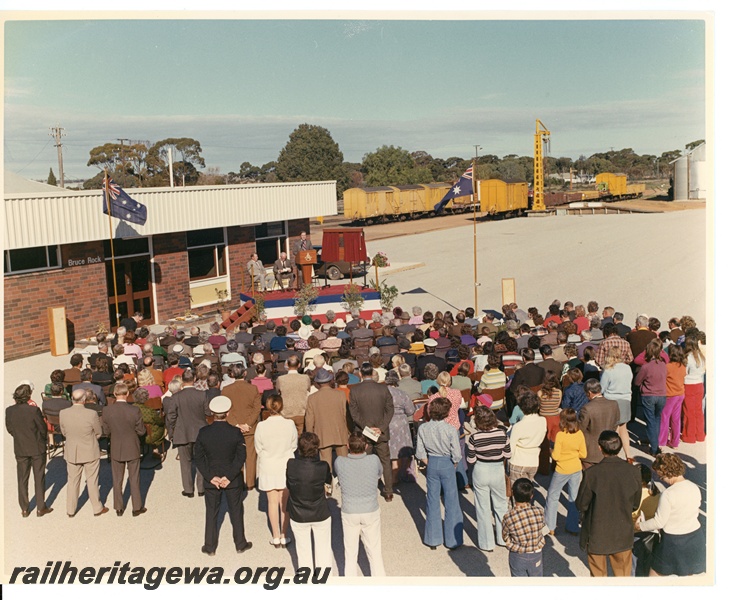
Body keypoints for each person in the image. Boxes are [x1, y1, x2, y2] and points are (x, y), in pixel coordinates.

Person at [576, 431, 642, 577]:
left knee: (598, 579)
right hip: (622, 534)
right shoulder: (633, 471)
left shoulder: (591, 474)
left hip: (596, 534)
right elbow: (635, 504)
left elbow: (581, 504)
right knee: (623, 578)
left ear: (600, 448)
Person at [195, 395, 253, 556]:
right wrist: (229, 476)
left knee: (211, 512)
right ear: (227, 413)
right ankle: (240, 543)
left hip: (211, 479)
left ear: (212, 414)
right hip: (232, 479)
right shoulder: (235, 432)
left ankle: (210, 546)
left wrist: (209, 476)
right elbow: (241, 456)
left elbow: (198, 457)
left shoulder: (204, 432)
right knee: (236, 511)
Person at [635, 453, 704, 576]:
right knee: (688, 574)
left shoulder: (668, 494)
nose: (660, 479)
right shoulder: (694, 487)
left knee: (655, 574)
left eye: (660, 476)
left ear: (666, 473)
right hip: (695, 536)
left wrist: (640, 526)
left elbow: (659, 522)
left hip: (674, 541)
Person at [335, 432, 387, 577]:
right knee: (375, 551)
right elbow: (379, 474)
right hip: (370, 509)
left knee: (350, 553)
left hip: (349, 511)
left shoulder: (339, 461)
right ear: (366, 446)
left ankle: (351, 584)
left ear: (347, 446)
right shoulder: (374, 460)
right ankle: (380, 583)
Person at [415, 396, 463, 550]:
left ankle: (433, 539)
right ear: (447, 412)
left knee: (432, 500)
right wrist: (453, 464)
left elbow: (420, 453)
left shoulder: (423, 428)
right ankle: (452, 540)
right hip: (447, 462)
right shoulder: (450, 429)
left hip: (432, 463)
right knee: (451, 501)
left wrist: (430, 463)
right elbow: (457, 453)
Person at [254, 394, 298, 548]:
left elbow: (258, 448)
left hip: (268, 465)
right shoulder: (290, 424)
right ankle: (285, 534)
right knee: (284, 503)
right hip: (285, 464)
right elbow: (294, 445)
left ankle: (275, 535)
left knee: (272, 502)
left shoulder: (261, 426)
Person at [286, 432, 334, 572]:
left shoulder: (291, 464)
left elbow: (288, 485)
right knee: (323, 549)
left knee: (303, 550)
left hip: (298, 513)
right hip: (320, 512)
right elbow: (328, 482)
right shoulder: (323, 466)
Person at [466, 405, 511, 551]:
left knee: (482, 508)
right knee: (501, 505)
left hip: (481, 470)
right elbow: (508, 455)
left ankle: (486, 543)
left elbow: (471, 460)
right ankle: (503, 539)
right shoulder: (502, 434)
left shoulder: (474, 437)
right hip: (497, 469)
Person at [349, 362, 395, 501]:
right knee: (385, 461)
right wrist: (380, 427)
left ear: (361, 374)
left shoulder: (355, 390)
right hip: (380, 431)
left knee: (364, 461)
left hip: (364, 432)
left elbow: (354, 414)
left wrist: (367, 428)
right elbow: (390, 410)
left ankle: (366, 489)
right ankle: (388, 491)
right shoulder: (383, 389)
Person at [5, 384, 52, 518]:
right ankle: (40, 507)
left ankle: (24, 508)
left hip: (20, 447)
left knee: (22, 478)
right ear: (28, 396)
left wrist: (19, 437)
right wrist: (42, 440)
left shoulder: (9, 410)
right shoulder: (33, 410)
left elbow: (10, 428)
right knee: (39, 477)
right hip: (37, 447)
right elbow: (42, 428)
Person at [60, 389, 108, 517]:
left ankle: (70, 509)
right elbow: (98, 432)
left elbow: (64, 432)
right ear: (84, 400)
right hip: (89, 449)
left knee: (72, 481)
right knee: (92, 480)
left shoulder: (63, 413)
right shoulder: (91, 414)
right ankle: (97, 508)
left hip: (72, 450)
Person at [102, 383, 147, 517]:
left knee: (117, 478)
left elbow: (106, 430)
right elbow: (141, 431)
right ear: (127, 394)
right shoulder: (134, 410)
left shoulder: (107, 410)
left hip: (116, 446)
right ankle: (136, 507)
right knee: (134, 478)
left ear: (115, 394)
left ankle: (119, 507)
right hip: (132, 446)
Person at [165, 368, 209, 497]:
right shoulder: (202, 394)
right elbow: (208, 412)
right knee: (201, 461)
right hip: (200, 431)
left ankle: (188, 490)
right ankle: (201, 488)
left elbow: (171, 416)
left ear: (182, 381)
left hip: (182, 432)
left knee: (185, 463)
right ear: (194, 379)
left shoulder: (176, 397)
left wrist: (172, 432)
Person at [545, 408, 586, 536]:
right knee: (573, 498)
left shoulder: (561, 435)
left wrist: (551, 452)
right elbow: (584, 454)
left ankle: (550, 526)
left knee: (552, 496)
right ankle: (573, 526)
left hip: (562, 469)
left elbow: (556, 456)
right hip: (576, 468)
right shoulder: (579, 433)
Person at [305, 369, 350, 474]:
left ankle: (328, 487)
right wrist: (349, 432)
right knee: (344, 463)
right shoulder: (341, 395)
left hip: (322, 433)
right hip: (340, 432)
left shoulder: (312, 398)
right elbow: (346, 415)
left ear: (318, 383)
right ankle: (345, 483)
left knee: (325, 465)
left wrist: (310, 436)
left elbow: (309, 420)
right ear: (330, 381)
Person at [502, 478, 546, 577]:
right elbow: (542, 526)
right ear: (531, 496)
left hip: (518, 554)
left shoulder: (508, 516)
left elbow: (505, 536)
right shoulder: (539, 511)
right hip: (536, 553)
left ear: (513, 494)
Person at [600, 345, 634, 461]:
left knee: (613, 430)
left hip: (611, 400)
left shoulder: (608, 370)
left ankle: (614, 453)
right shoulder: (627, 368)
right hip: (625, 399)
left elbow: (602, 388)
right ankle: (628, 455)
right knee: (623, 428)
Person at [634, 338, 667, 456]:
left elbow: (637, 382)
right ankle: (655, 441)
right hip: (662, 395)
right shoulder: (663, 364)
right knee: (657, 419)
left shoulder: (646, 367)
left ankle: (654, 447)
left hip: (648, 395)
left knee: (650, 421)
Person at [578, 379, 620, 469]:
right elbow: (616, 423)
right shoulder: (614, 404)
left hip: (590, 452)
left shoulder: (587, 408)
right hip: (608, 449)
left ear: (589, 392)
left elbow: (580, 429)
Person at [508, 391, 547, 484]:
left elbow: (511, 448)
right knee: (527, 490)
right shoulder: (543, 420)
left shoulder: (518, 426)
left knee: (517, 492)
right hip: (534, 461)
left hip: (518, 461)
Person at [384, 370, 416, 483]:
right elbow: (410, 411)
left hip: (386, 423)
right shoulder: (402, 394)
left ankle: (393, 476)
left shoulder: (381, 394)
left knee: (391, 450)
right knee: (403, 449)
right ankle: (401, 474)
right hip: (401, 423)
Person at [660, 344, 686, 449]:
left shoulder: (667, 367)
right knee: (676, 419)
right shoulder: (683, 366)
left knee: (664, 418)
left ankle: (662, 440)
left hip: (669, 395)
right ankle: (675, 442)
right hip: (680, 394)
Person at [682, 337, 706, 443]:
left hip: (689, 385)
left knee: (689, 411)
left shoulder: (687, 357)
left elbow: (685, 373)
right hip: (699, 384)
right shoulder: (701, 357)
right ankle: (700, 434)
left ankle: (689, 435)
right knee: (698, 411)